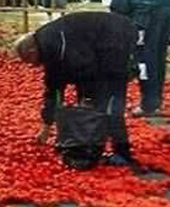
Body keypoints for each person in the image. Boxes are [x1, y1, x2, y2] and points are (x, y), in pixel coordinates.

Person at [12, 12, 138, 166]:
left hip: (116, 38)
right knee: (91, 102)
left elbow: (85, 71)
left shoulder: (57, 46)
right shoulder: (48, 45)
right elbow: (54, 88)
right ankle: (91, 143)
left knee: (110, 101)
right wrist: (47, 125)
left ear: (32, 51)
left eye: (30, 61)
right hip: (97, 46)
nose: (33, 65)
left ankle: (121, 152)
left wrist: (87, 99)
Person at [87, 0, 170, 117]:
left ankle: (148, 105)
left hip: (147, 12)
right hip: (168, 7)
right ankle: (155, 101)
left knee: (144, 58)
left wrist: (129, 35)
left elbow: (119, 10)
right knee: (158, 57)